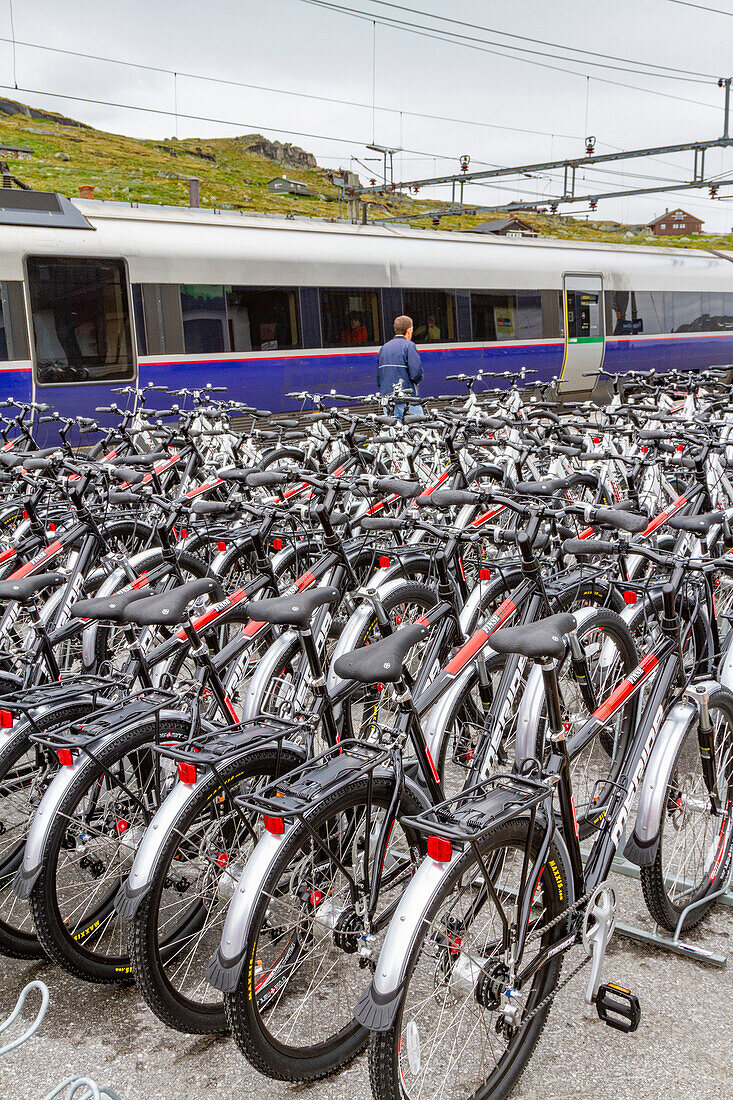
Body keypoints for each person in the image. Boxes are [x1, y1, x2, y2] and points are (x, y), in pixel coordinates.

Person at [377, 314, 423, 418]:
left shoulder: (384, 347)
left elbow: (379, 378)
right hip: (407, 398)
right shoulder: (409, 346)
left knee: (395, 431)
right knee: (418, 428)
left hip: (388, 398)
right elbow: (416, 374)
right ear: (409, 330)